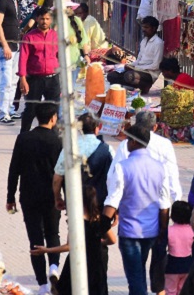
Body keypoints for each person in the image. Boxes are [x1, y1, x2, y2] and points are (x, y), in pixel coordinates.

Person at [104, 123, 173, 295]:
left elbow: (113, 199)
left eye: (128, 139)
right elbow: (164, 204)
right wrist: (162, 231)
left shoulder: (122, 167)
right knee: (139, 270)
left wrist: (103, 223)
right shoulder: (160, 167)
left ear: (134, 142)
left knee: (135, 276)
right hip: (151, 231)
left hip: (129, 232)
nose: (126, 143)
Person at [7, 103, 63, 295]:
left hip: (29, 195)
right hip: (52, 196)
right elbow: (63, 172)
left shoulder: (23, 138)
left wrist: (10, 196)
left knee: (35, 238)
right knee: (53, 233)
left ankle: (42, 284)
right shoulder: (58, 141)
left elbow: (14, 169)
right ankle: (54, 268)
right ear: (53, 118)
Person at [31, 184, 115, 295]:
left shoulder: (76, 221)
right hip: (96, 264)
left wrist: (46, 250)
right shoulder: (99, 219)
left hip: (77, 262)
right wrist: (97, 242)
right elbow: (112, 240)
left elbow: (69, 246)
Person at [16, 7, 62, 132]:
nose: (44, 22)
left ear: (51, 20)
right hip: (34, 79)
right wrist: (22, 79)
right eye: (42, 19)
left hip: (53, 78)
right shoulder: (29, 37)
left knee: (54, 110)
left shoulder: (56, 36)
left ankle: (53, 139)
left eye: (47, 19)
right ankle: (24, 137)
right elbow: (23, 59)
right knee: (31, 109)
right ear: (37, 19)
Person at [54, 113, 113, 210]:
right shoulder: (107, 149)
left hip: (75, 203)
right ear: (97, 129)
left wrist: (58, 198)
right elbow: (114, 178)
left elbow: (58, 177)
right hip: (99, 203)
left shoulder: (69, 149)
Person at [0, 0, 29, 122]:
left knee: (14, 80)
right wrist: (5, 45)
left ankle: (10, 109)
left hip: (16, 47)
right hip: (7, 47)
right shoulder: (3, 1)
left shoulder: (16, 3)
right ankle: (4, 113)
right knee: (6, 81)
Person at [107, 16, 163, 92]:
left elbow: (156, 65)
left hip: (149, 73)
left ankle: (144, 87)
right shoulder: (144, 41)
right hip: (138, 70)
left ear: (154, 28)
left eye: (146, 27)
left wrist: (136, 68)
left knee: (129, 76)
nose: (143, 30)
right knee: (111, 76)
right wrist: (130, 65)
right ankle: (128, 87)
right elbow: (139, 60)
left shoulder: (158, 43)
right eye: (143, 27)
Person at [165, 201, 194, 295]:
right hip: (188, 264)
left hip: (171, 265)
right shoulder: (192, 230)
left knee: (170, 290)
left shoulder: (169, 230)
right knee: (183, 290)